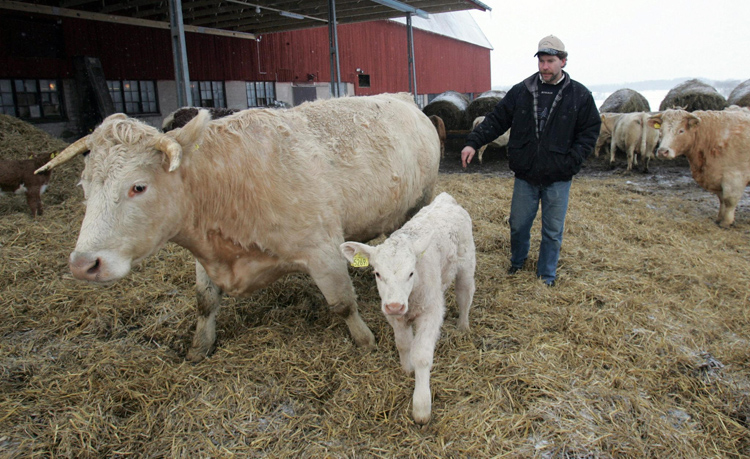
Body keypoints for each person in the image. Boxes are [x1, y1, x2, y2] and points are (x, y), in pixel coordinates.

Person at [461, 35, 601, 286]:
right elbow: (497, 119)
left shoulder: (579, 95)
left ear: (563, 61)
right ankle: (518, 262)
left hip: (559, 175)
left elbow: (589, 132)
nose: (544, 67)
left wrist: (572, 161)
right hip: (526, 173)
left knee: (552, 230)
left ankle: (546, 275)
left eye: (550, 61)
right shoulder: (522, 91)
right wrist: (474, 142)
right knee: (518, 224)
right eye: (541, 61)